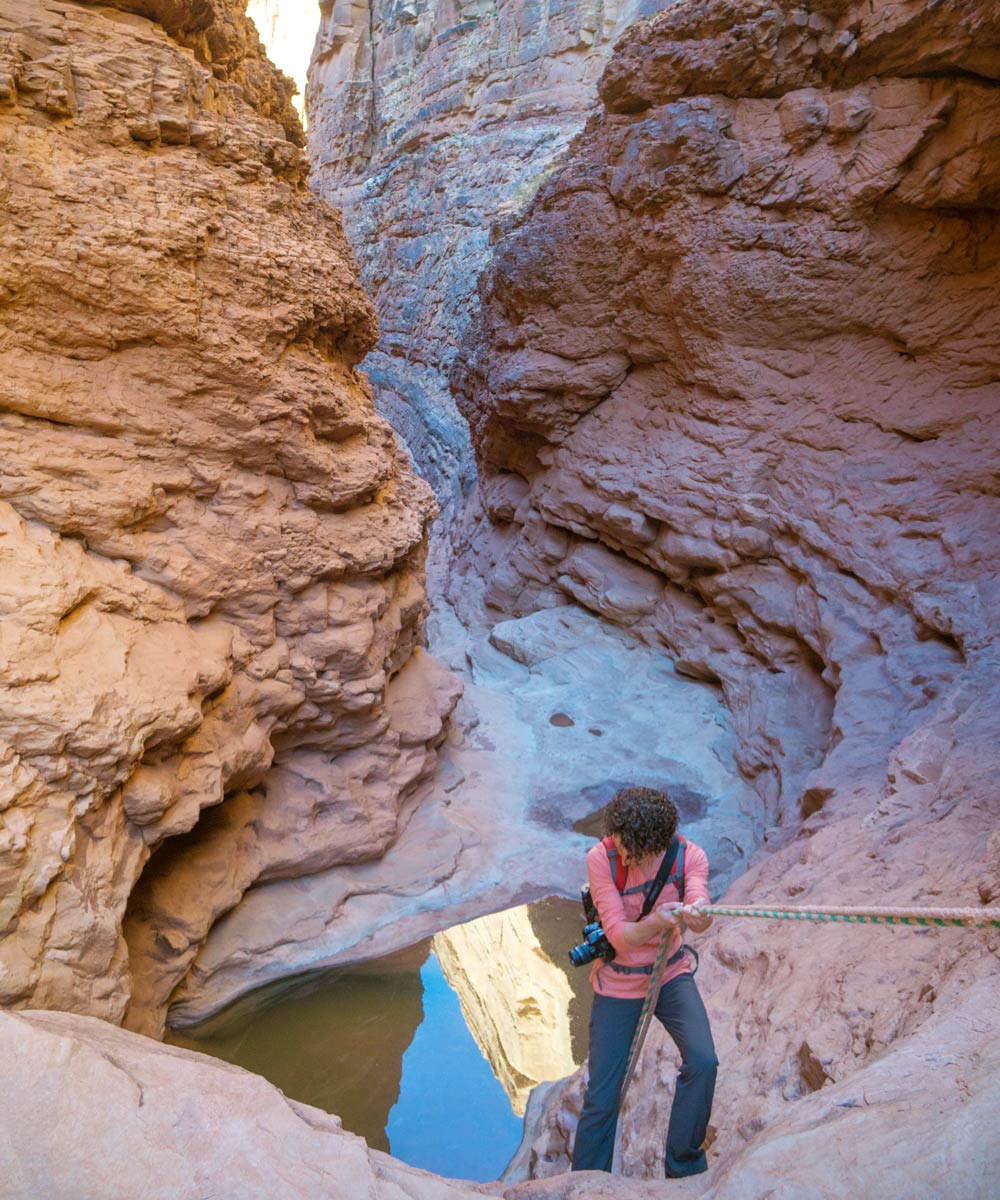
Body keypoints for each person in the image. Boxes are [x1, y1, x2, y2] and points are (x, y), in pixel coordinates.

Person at [571, 786, 717, 1178]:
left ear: (654, 845)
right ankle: (585, 1183)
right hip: (618, 983)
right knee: (602, 1098)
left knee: (703, 1060)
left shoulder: (689, 858)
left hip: (669, 972)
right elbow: (619, 936)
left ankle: (684, 1167)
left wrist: (700, 914)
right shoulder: (601, 858)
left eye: (628, 846)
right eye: (616, 838)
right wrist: (656, 923)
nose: (619, 848)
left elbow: (700, 905)